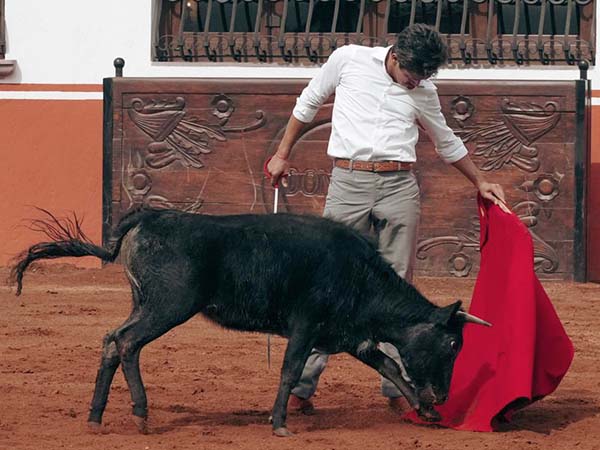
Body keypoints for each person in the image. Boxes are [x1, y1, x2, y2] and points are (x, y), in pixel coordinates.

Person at [266, 23, 509, 415]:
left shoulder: (424, 91)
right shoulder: (347, 59)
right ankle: (301, 385)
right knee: (326, 286)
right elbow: (307, 104)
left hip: (399, 185)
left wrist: (480, 180)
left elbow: (445, 140)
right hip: (348, 180)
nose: (416, 83)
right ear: (394, 56)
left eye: (424, 77)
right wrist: (282, 153)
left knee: (399, 290)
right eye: (412, 76)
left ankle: (397, 388)